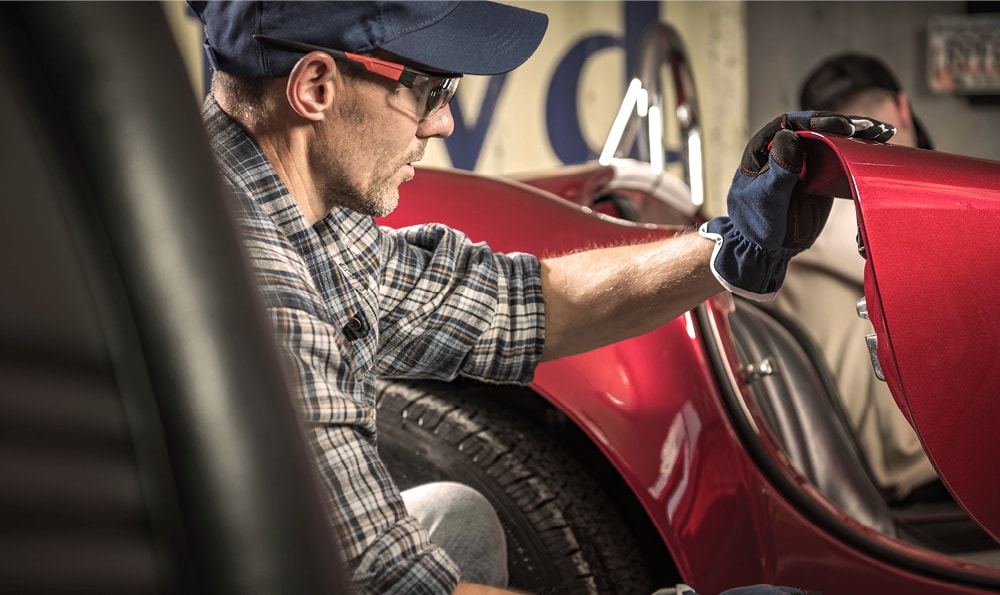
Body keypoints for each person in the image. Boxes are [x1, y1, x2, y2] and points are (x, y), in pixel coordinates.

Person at [187, 3, 891, 593]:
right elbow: (394, 586)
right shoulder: (257, 288)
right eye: (428, 88)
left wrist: (731, 248)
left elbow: (513, 302)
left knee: (454, 515)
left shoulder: (294, 213)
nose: (442, 123)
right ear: (316, 87)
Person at [774, 52, 941, 503]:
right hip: (931, 472)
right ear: (902, 108)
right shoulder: (927, 220)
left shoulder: (783, 234)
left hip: (841, 486)